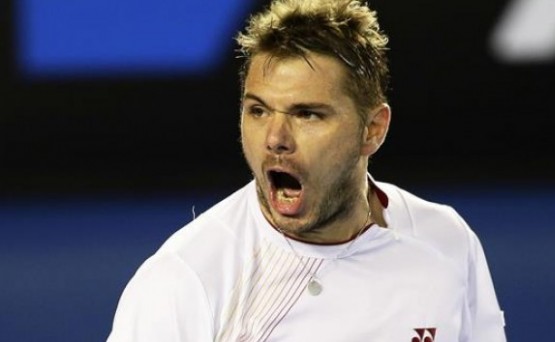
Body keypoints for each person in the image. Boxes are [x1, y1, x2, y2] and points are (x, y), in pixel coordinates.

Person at [107, 0, 507, 341]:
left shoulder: (447, 241)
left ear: (373, 130)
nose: (275, 138)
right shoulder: (186, 280)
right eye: (258, 111)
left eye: (307, 114)